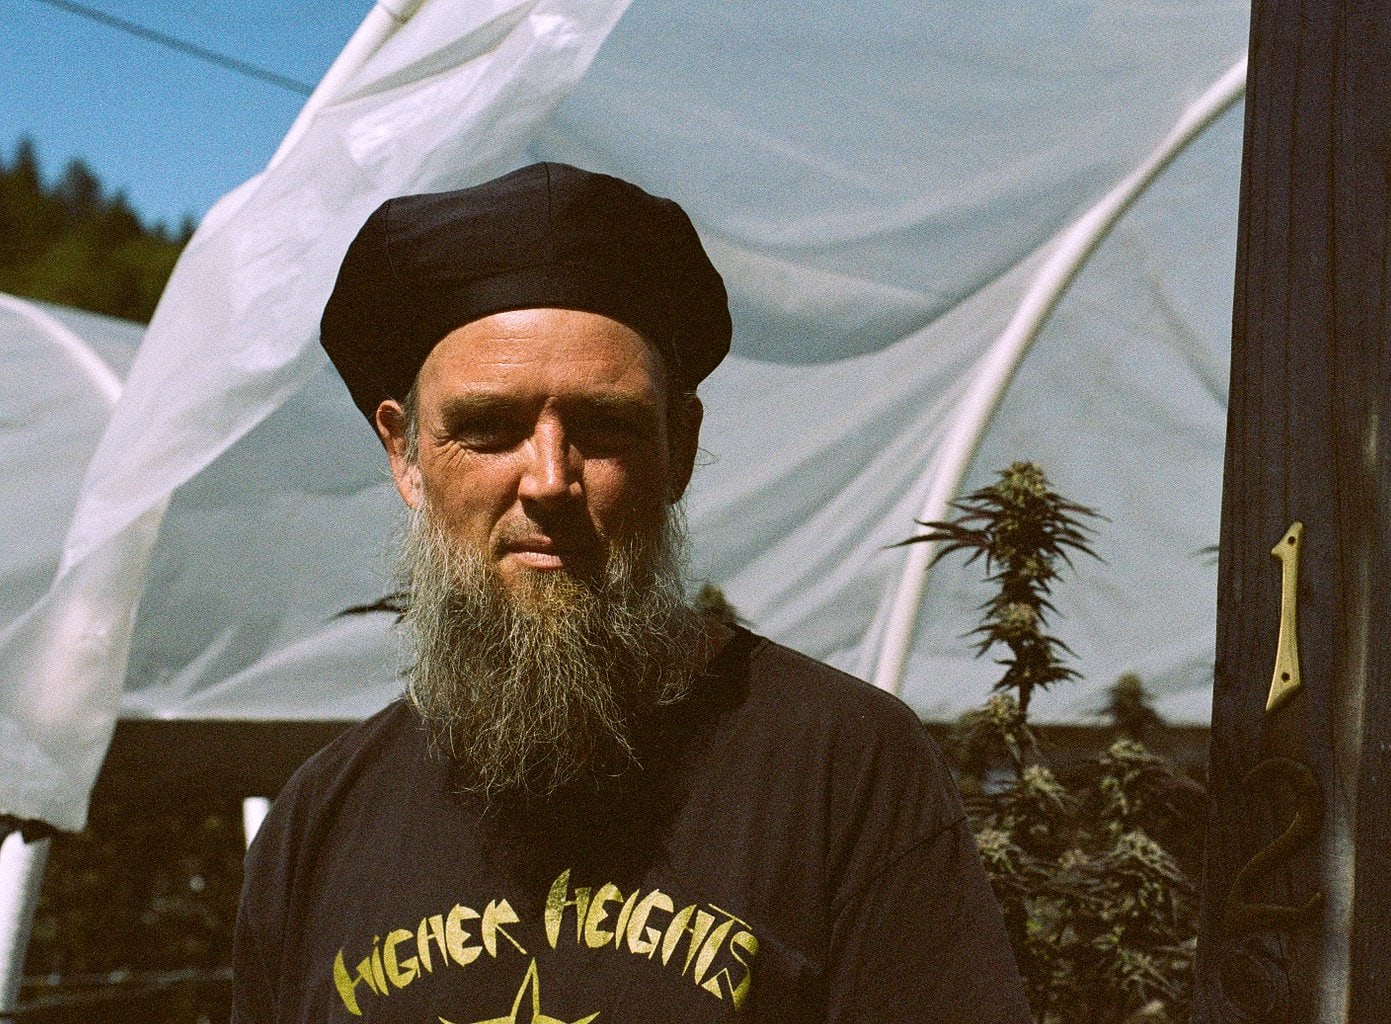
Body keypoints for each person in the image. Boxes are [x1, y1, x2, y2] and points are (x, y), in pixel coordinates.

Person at [230, 162, 1031, 1023]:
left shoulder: (843, 767)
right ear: (406, 454)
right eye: (489, 428)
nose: (549, 479)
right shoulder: (321, 821)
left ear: (678, 448)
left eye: (604, 426)